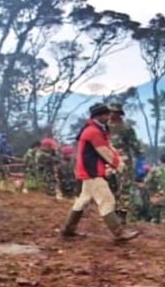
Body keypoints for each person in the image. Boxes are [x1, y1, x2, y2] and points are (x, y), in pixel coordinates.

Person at [59, 103, 139, 241]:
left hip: (88, 170)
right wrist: (118, 165)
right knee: (107, 200)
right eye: (107, 114)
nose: (110, 116)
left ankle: (68, 229)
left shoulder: (96, 129)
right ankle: (119, 232)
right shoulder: (93, 132)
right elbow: (105, 152)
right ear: (100, 116)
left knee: (82, 201)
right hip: (92, 171)